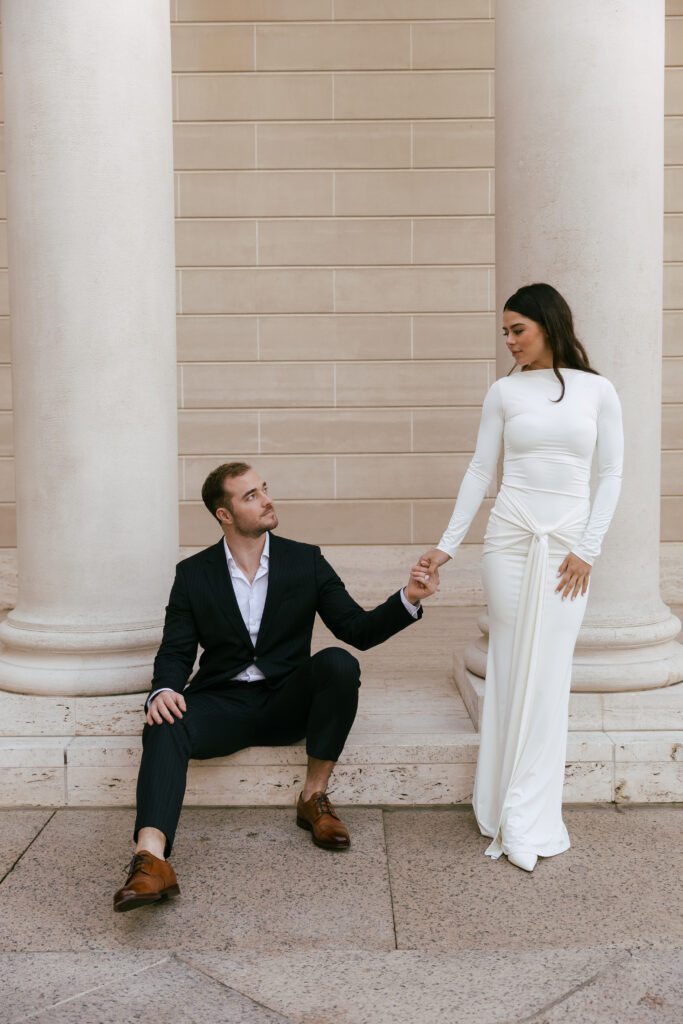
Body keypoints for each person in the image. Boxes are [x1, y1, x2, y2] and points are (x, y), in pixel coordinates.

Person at [114, 461, 437, 911]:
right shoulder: (193, 573)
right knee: (164, 718)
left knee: (338, 664)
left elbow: (356, 629)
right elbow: (176, 649)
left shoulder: (305, 559)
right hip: (222, 703)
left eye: (264, 490)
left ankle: (313, 797)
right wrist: (164, 689)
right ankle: (151, 860)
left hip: (287, 701)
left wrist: (408, 600)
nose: (267, 500)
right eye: (250, 496)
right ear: (224, 514)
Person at [418, 283, 623, 872]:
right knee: (510, 667)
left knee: (550, 671)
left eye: (517, 330)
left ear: (548, 325)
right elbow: (481, 469)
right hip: (508, 539)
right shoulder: (504, 392)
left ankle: (532, 813)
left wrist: (589, 548)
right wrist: (448, 545)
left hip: (568, 550)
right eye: (505, 332)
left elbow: (610, 473)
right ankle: (500, 805)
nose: (508, 341)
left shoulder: (598, 390)